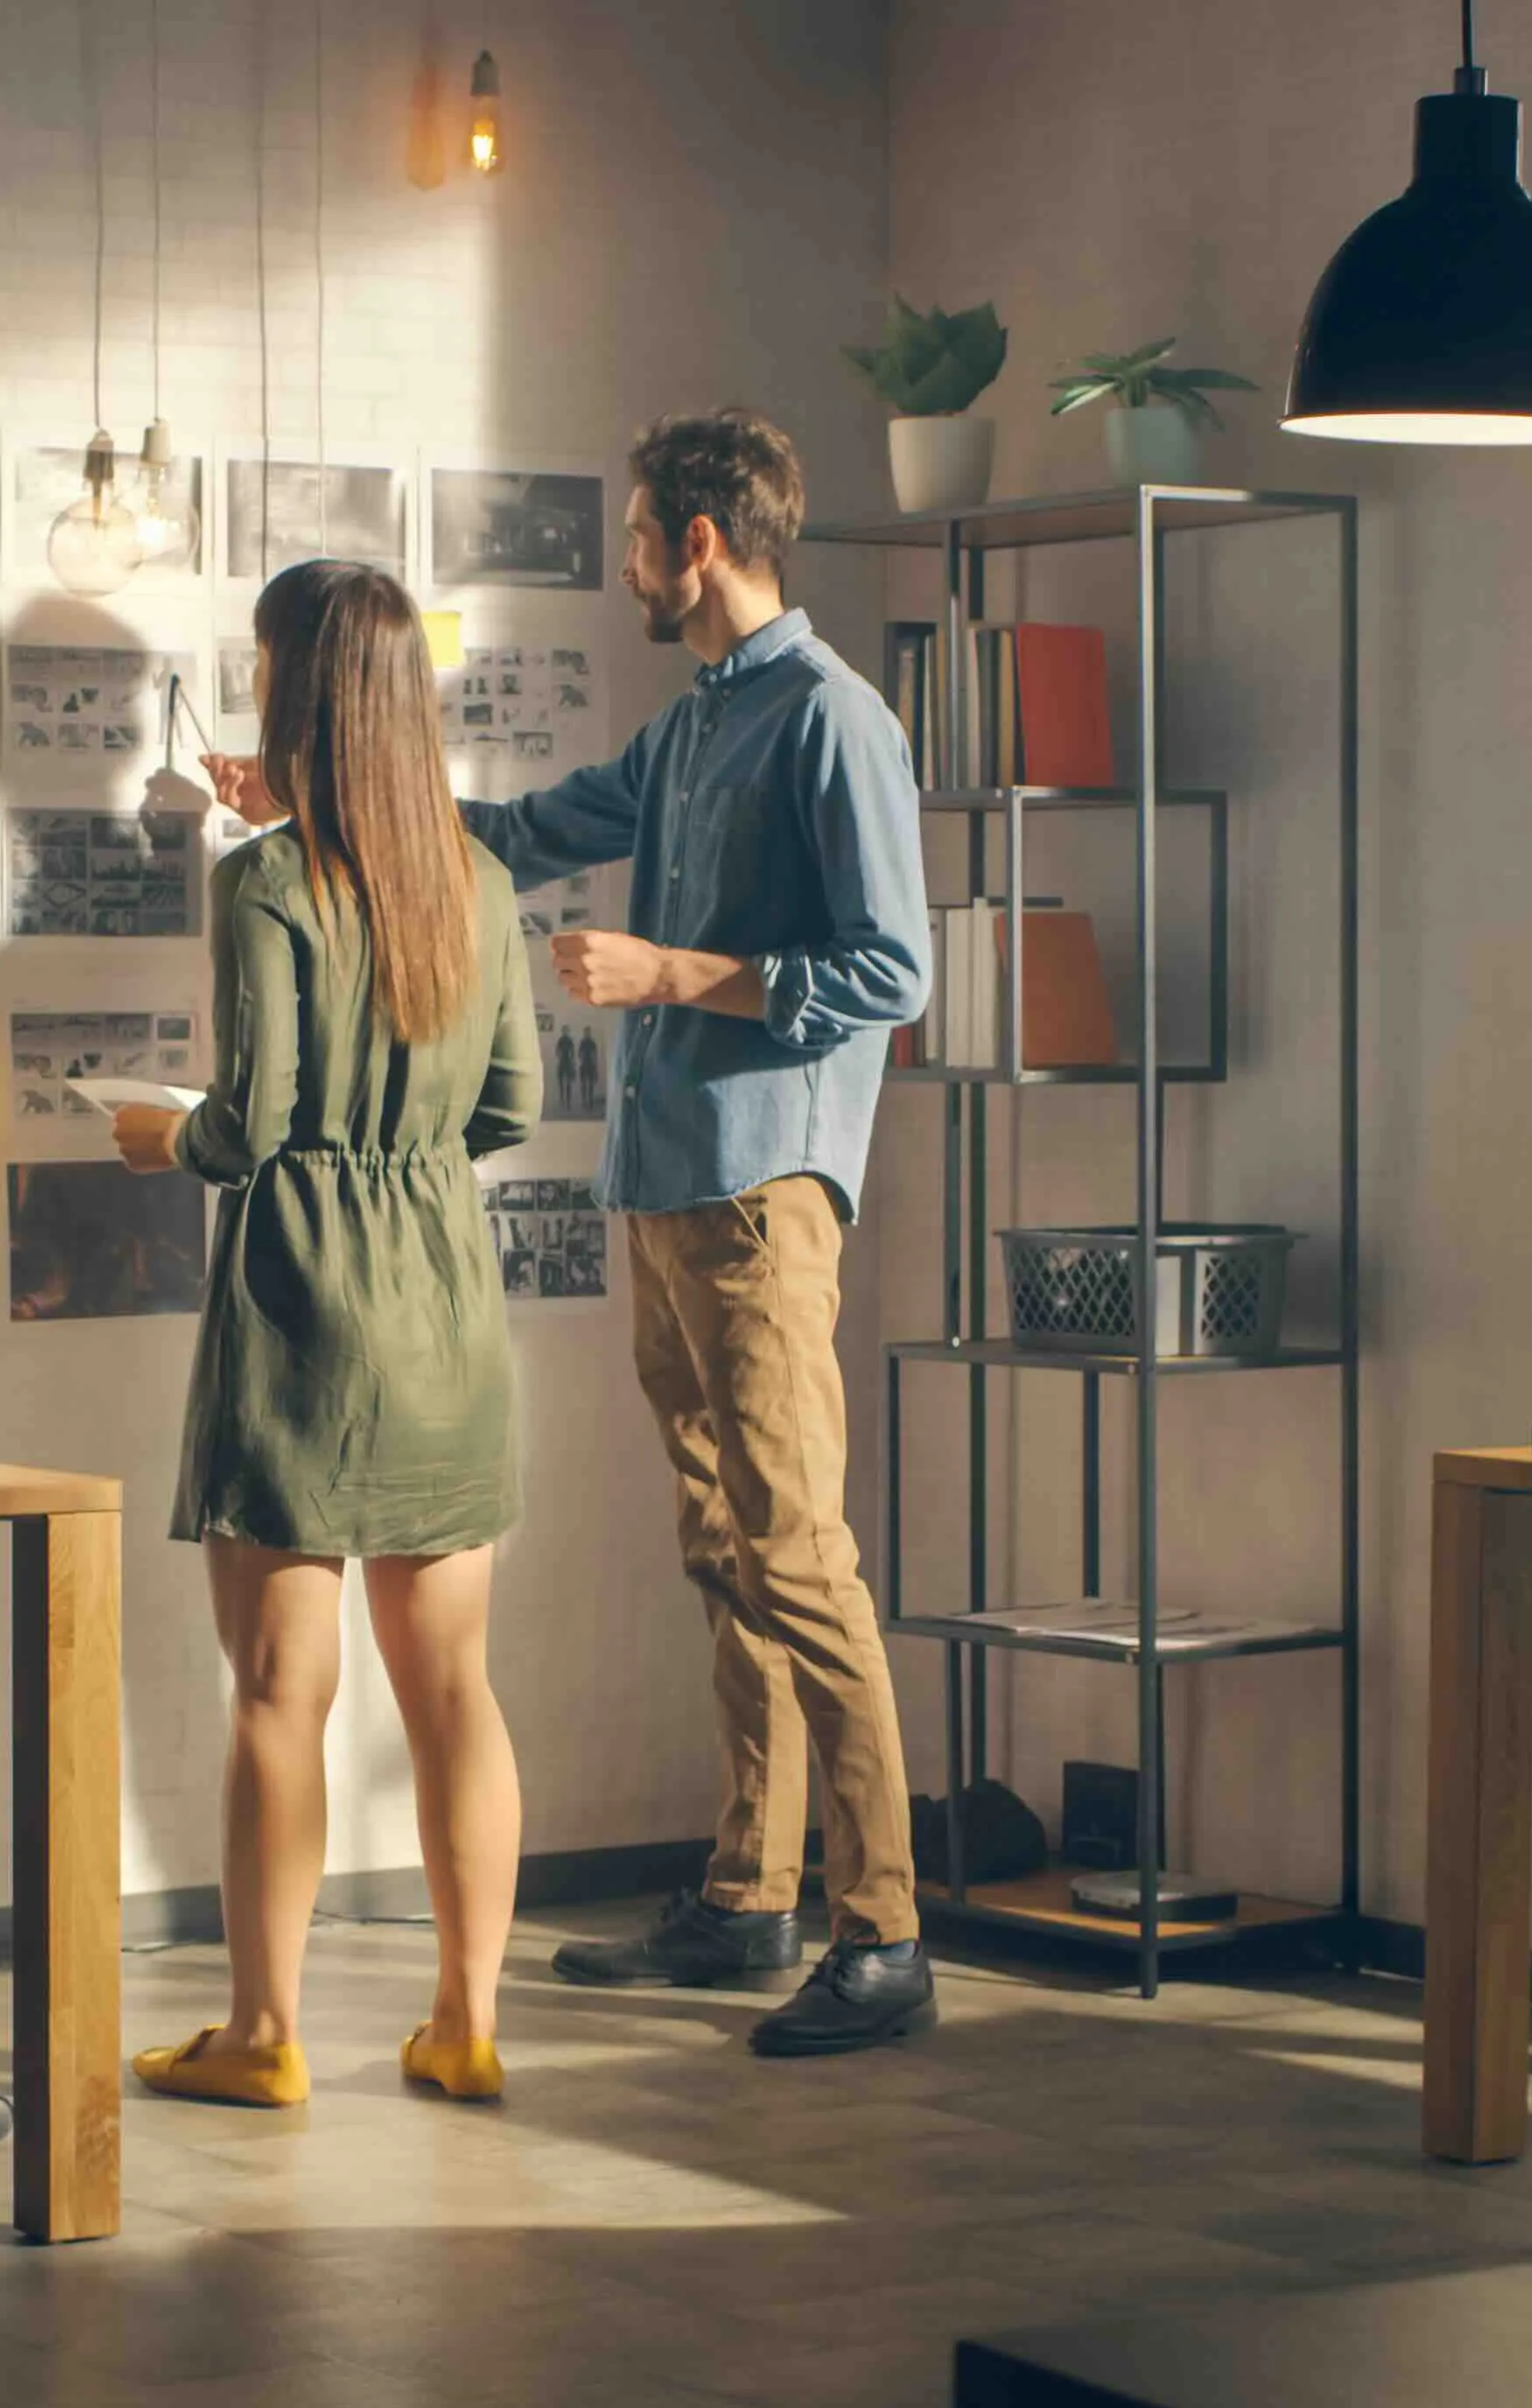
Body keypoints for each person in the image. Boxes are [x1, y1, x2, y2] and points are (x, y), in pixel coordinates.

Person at [467, 406, 944, 2058]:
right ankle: (750, 1898)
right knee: (722, 1548)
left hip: (760, 1196)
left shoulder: (833, 718)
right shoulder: (692, 730)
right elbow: (527, 833)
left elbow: (895, 975)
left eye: (633, 532)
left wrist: (674, 975)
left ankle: (883, 1933)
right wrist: (332, 799)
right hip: (667, 1195)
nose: (620, 561)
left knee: (802, 1556)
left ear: (698, 539)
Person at [126, 556, 540, 2109]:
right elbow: (514, 1104)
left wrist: (157, 1143)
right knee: (456, 1695)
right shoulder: (479, 884)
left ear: (290, 687)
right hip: (444, 1304)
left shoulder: (267, 886)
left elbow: (253, 1125)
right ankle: (466, 2021)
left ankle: (265, 2035)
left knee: (278, 1693)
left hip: (304, 1307)